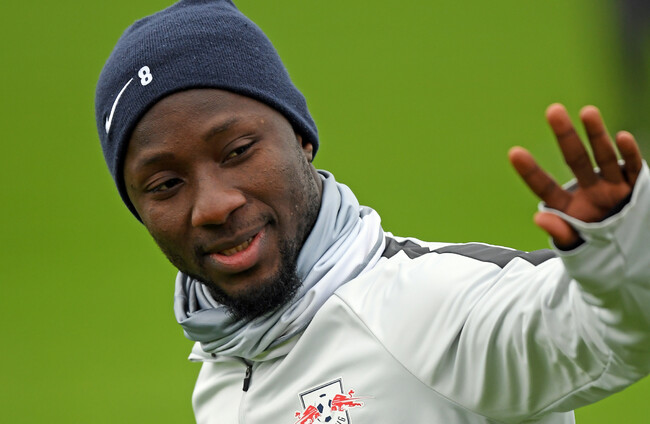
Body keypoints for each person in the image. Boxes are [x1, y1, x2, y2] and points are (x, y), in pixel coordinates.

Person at [95, 1, 650, 423]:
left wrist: (623, 255)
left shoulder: (429, 309)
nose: (214, 206)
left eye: (238, 151)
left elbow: (608, 335)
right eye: (165, 184)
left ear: (302, 139)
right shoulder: (222, 372)